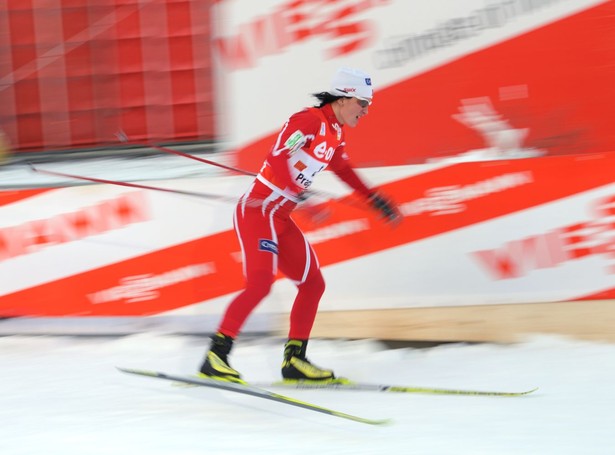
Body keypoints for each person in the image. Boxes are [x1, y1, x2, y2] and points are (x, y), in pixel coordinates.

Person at [199, 67, 401, 384]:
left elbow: (344, 170)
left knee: (312, 284)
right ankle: (216, 356)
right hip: (258, 212)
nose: (366, 110)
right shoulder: (307, 121)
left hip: (280, 217)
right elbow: (278, 157)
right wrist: (302, 196)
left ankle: (295, 361)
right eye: (363, 103)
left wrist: (375, 199)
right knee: (260, 284)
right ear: (346, 96)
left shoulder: (335, 133)